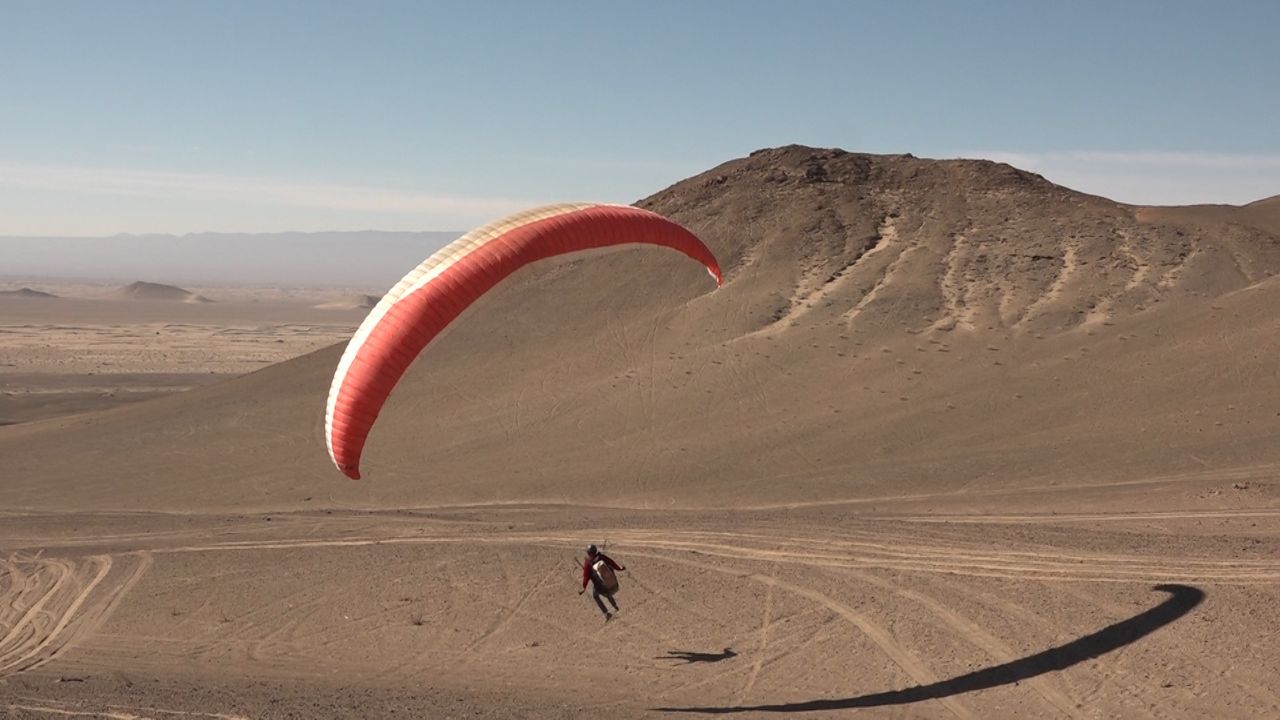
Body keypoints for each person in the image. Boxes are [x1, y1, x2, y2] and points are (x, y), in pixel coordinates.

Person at [579, 544, 625, 621]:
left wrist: (584, 588)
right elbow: (611, 562)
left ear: (588, 553)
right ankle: (615, 605)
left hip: (602, 588)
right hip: (614, 585)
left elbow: (586, 577)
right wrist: (619, 568)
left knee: (595, 595)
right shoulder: (601, 557)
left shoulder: (588, 564)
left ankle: (606, 614)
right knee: (605, 585)